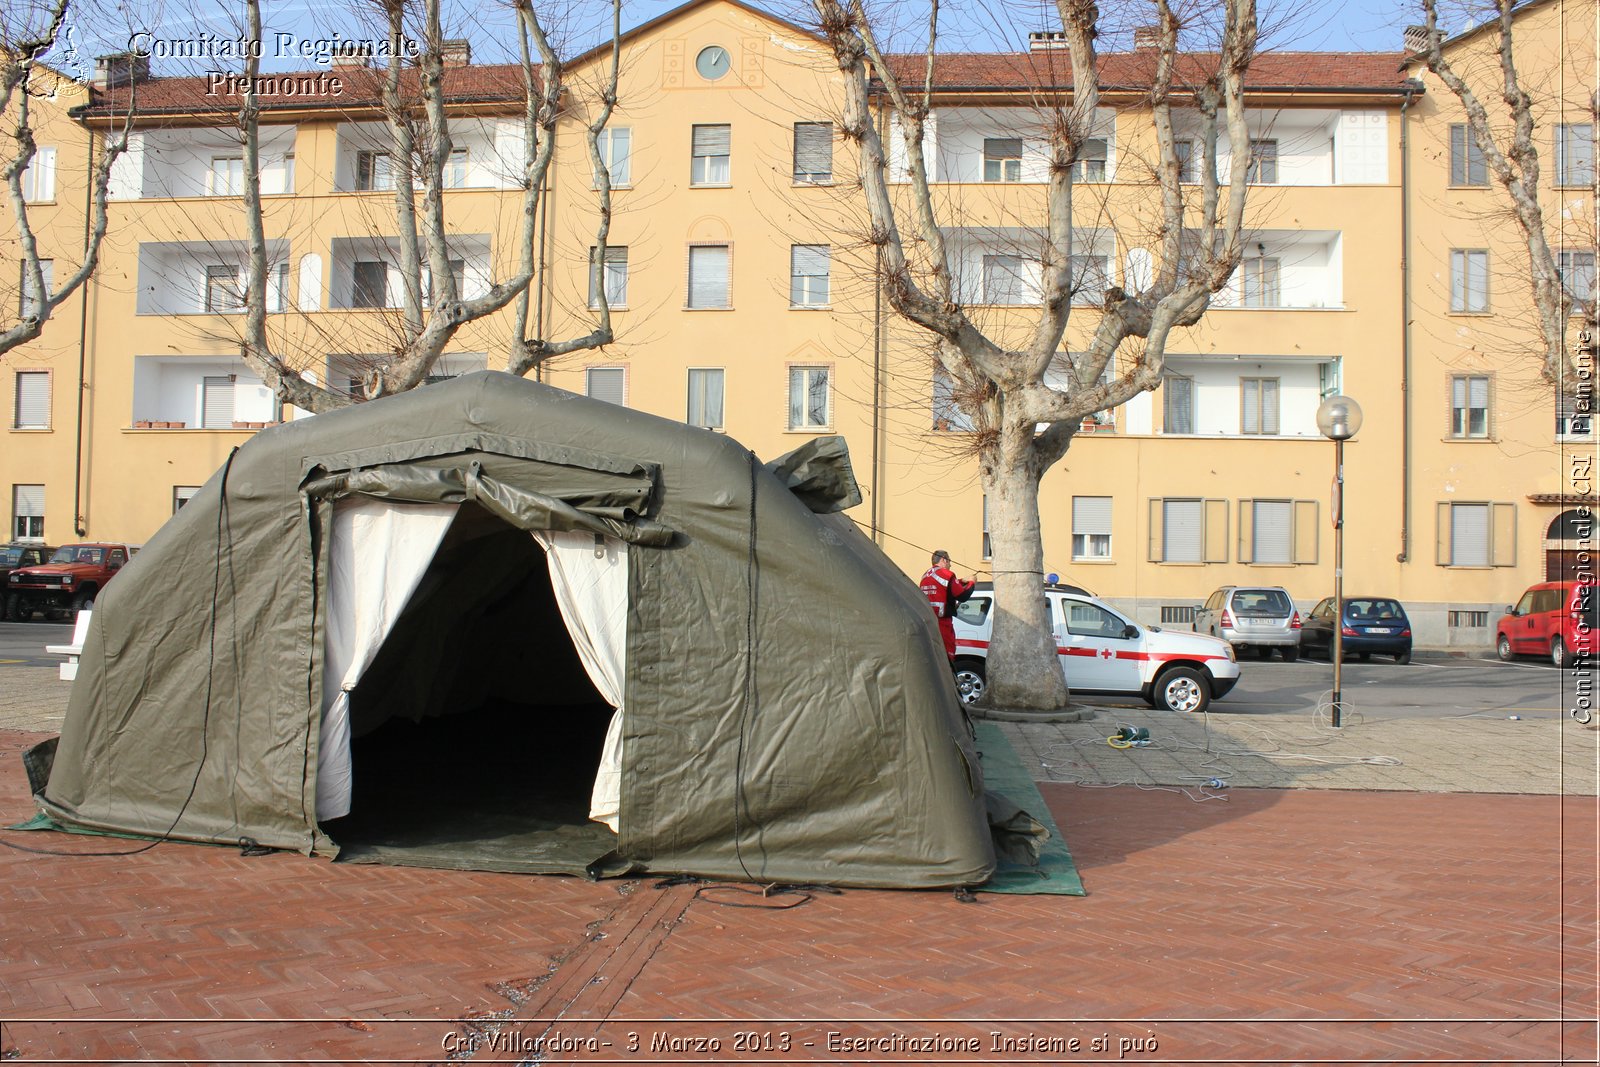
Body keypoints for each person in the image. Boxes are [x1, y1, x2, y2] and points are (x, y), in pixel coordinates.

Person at [919, 549, 975, 667]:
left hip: (929, 622)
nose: (950, 564)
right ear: (944, 560)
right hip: (943, 624)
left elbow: (943, 590)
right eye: (949, 561)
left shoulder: (925, 576)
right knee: (947, 659)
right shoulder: (947, 574)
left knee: (934, 659)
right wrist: (971, 583)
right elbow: (963, 595)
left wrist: (960, 581)